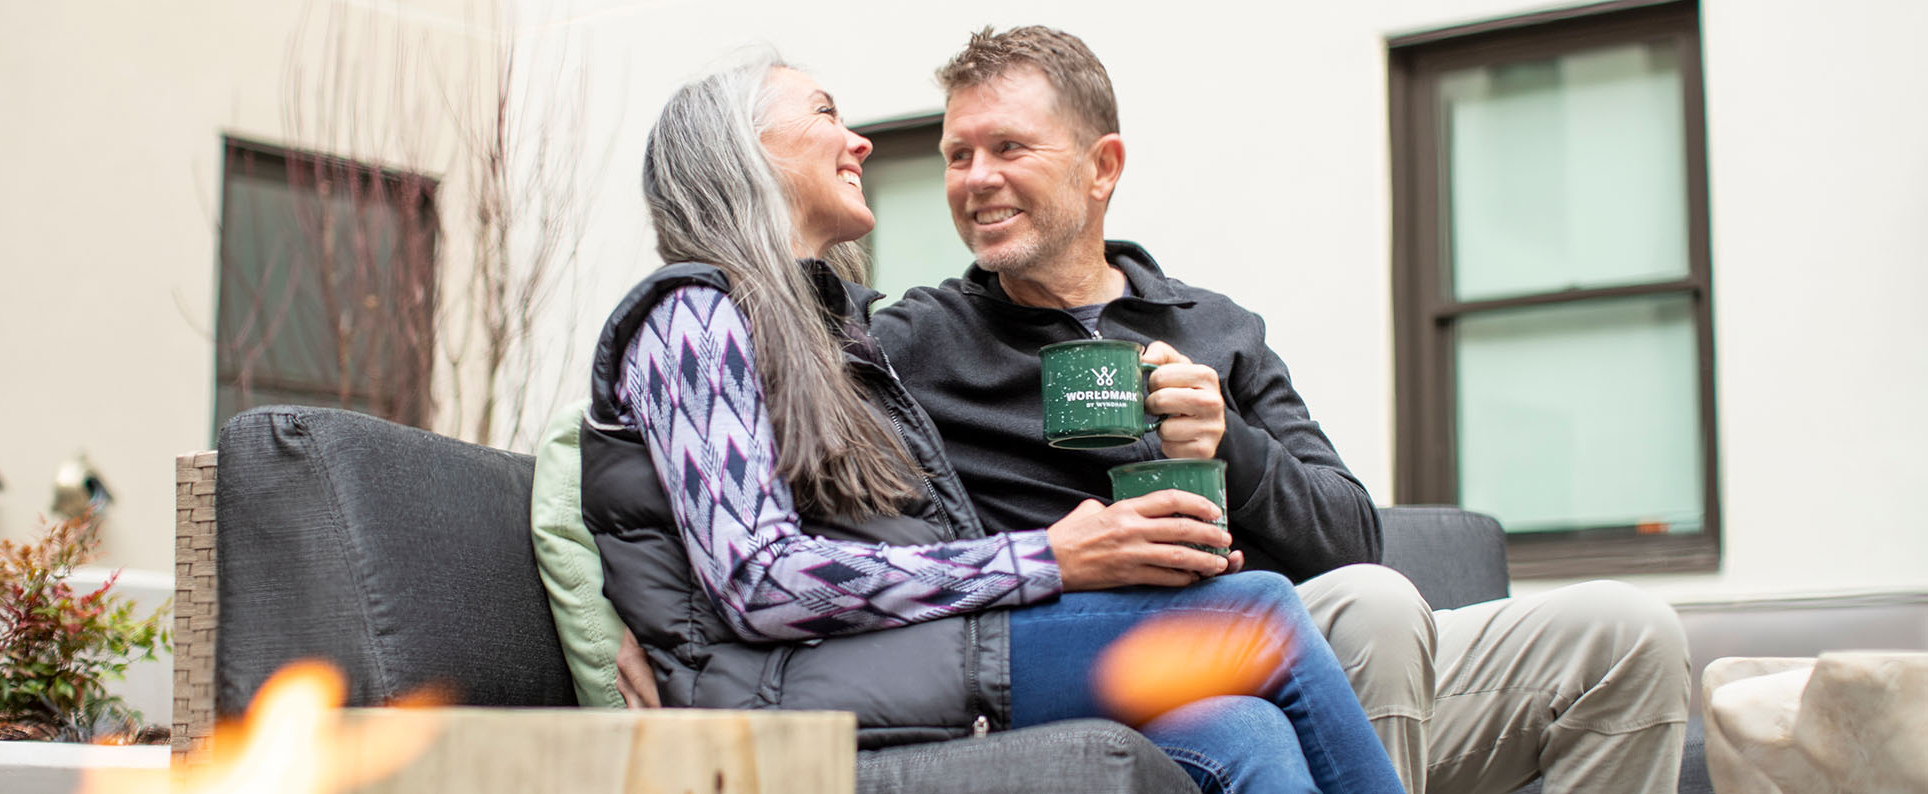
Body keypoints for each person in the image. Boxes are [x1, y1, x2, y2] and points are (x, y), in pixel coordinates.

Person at [869, 26, 1693, 794]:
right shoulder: (916, 343)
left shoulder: (1216, 327)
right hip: (1136, 660)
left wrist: (1236, 444)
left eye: (1007, 147)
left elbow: (1351, 535)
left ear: (1103, 166)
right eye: (957, 155)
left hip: (1325, 648)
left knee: (1625, 631)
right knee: (1375, 609)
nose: (976, 179)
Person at [579, 53, 1406, 793]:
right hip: (804, 688)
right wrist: (1054, 558)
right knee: (1254, 616)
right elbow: (754, 576)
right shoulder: (694, 310)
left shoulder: (824, 334)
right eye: (826, 112)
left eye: (1009, 148)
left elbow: (671, 479)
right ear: (746, 154)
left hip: (895, 657)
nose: (862, 142)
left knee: (1244, 729)